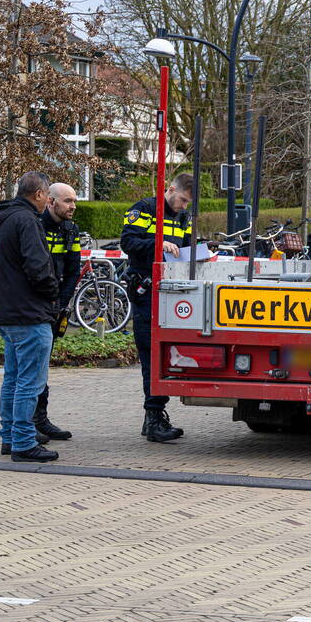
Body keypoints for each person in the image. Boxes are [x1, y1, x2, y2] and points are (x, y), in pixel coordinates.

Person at [0, 172, 61, 462]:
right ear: (40, 194)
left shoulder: (3, 219)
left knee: (13, 379)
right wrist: (52, 293)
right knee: (30, 382)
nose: (48, 202)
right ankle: (22, 442)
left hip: (7, 312)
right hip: (30, 314)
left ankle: (9, 437)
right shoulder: (28, 220)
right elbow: (38, 266)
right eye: (47, 196)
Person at [121, 173, 193, 442]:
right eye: (182, 200)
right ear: (171, 189)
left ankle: (155, 416)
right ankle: (153, 417)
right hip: (146, 291)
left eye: (188, 203)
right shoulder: (144, 209)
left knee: (165, 354)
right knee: (151, 352)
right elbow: (127, 243)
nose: (184, 206)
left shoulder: (183, 217)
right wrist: (157, 244)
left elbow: (183, 250)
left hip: (171, 294)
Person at [33, 182, 81, 442]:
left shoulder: (70, 230)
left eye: (74, 201)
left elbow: (73, 270)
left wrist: (62, 304)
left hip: (53, 307)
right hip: (33, 306)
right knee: (31, 368)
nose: (73, 206)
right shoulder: (34, 226)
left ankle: (40, 419)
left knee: (42, 366)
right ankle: (28, 424)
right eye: (67, 201)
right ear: (50, 201)